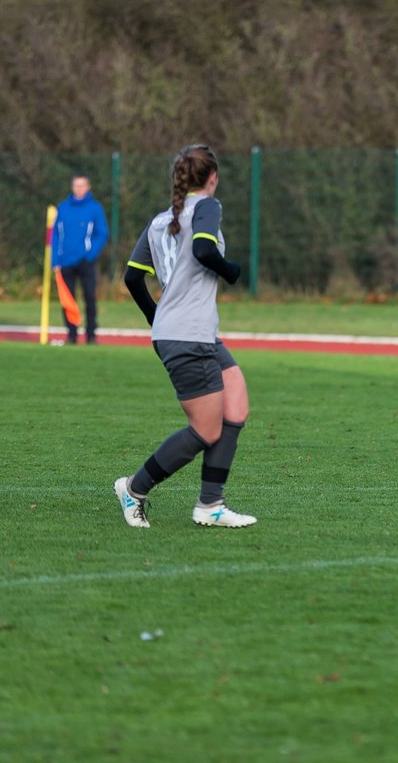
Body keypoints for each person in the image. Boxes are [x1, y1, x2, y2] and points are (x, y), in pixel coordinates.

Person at [115, 144, 256, 528]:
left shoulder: (159, 221)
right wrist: (231, 271)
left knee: (236, 402)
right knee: (207, 429)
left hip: (189, 332)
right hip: (188, 335)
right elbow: (204, 249)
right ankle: (134, 489)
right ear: (213, 178)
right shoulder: (207, 207)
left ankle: (211, 504)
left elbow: (132, 278)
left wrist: (158, 320)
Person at [52, 174, 108, 344]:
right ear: (72, 187)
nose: (79, 188)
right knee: (68, 300)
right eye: (76, 185)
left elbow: (103, 233)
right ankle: (72, 334)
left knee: (90, 297)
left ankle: (91, 335)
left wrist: (90, 253)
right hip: (65, 262)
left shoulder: (95, 209)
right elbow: (55, 236)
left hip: (86, 261)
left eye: (82, 185)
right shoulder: (62, 208)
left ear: (88, 187)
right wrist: (55, 261)